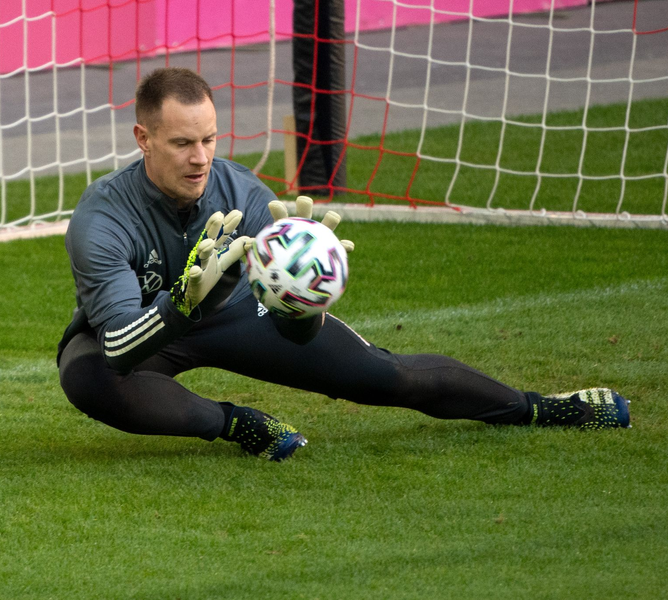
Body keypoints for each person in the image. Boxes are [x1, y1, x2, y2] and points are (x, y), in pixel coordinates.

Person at [57, 67, 630, 462]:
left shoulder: (242, 190)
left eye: (209, 138)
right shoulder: (101, 218)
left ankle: (541, 408)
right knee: (87, 377)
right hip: (149, 331)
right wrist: (180, 306)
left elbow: (295, 335)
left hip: (235, 314)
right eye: (183, 142)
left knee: (387, 376)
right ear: (143, 138)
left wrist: (305, 299)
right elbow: (117, 345)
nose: (201, 156)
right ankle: (238, 424)